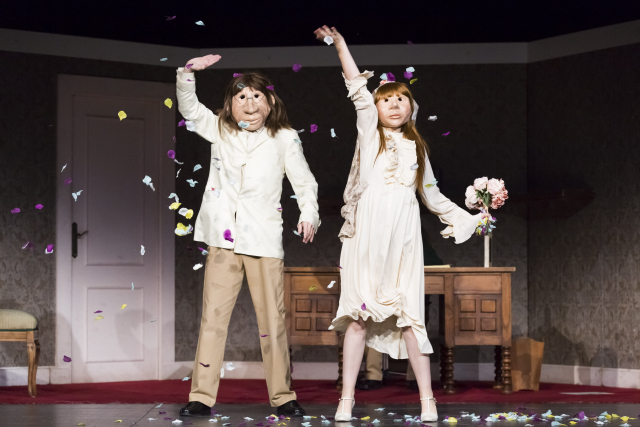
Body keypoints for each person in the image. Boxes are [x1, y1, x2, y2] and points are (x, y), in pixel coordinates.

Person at [313, 26, 488, 422]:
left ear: (411, 107)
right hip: (365, 235)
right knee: (358, 316)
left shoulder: (417, 148)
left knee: (411, 317)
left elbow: (433, 196)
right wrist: (340, 45)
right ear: (376, 108)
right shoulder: (368, 134)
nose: (394, 105)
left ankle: (428, 400)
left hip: (404, 238)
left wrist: (469, 219)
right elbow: (357, 89)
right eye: (386, 99)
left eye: (401, 99)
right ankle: (346, 399)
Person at [175, 54, 320, 417]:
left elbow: (304, 182)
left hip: (263, 240)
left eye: (257, 96)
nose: (250, 103)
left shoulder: (284, 138)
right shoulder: (220, 130)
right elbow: (190, 110)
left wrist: (309, 214)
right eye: (241, 96)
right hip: (223, 240)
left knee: (272, 322)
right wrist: (187, 73)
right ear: (230, 105)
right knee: (212, 320)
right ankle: (201, 396)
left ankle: (283, 395)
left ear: (269, 103)